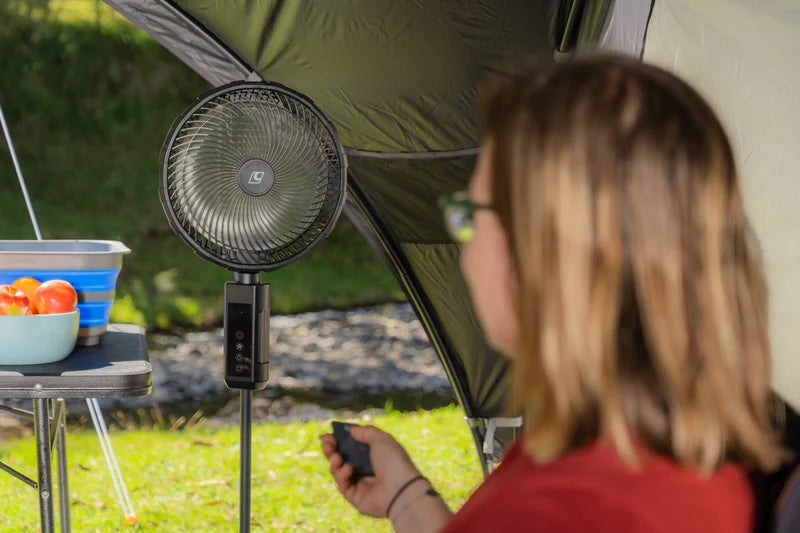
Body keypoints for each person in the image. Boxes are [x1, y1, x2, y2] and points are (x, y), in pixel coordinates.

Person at [320, 54, 788, 532]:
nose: (466, 250)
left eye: (472, 214)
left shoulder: (553, 507)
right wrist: (405, 496)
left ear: (544, 256)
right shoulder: (689, 452)